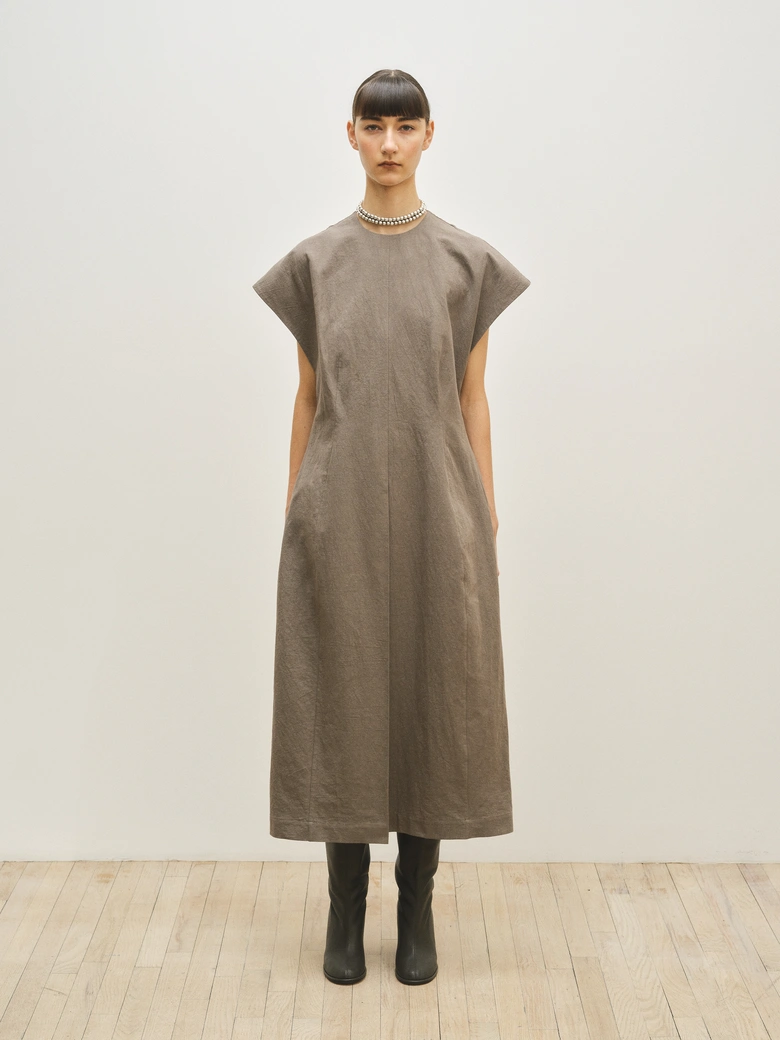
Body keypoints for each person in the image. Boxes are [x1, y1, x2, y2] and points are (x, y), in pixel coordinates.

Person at [251, 69, 531, 986]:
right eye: (374, 127)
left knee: (431, 697)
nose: (389, 144)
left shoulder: (466, 263)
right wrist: (297, 507)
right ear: (351, 135)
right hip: (336, 509)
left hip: (438, 506)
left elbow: (473, 398)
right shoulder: (315, 263)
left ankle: (417, 910)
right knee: (342, 695)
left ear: (429, 136)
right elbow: (307, 396)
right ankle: (345, 909)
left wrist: (484, 511)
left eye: (405, 127)